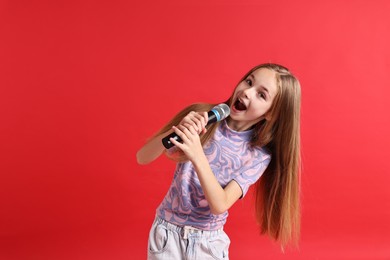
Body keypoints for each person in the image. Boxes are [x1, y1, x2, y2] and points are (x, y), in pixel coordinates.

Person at [136, 63, 301, 259]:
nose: (247, 92)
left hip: (207, 243)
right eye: (249, 81)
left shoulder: (258, 156)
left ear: (271, 113)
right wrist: (177, 130)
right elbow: (142, 157)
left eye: (261, 95)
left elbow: (220, 204)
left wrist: (197, 154)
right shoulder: (202, 116)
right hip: (166, 235)